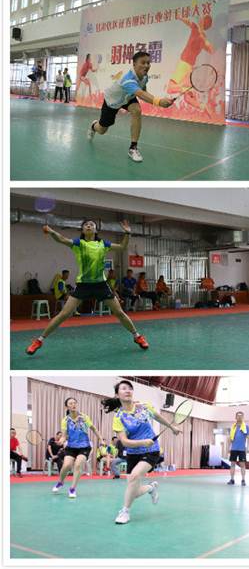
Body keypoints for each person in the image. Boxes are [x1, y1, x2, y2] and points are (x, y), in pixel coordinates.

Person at [25, 219, 149, 355]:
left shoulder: (103, 244)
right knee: (64, 314)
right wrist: (51, 231)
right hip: (83, 285)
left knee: (119, 312)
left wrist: (127, 233)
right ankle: (39, 340)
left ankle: (137, 336)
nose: (89, 226)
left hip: (101, 285)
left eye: (91, 225)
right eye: (86, 225)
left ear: (95, 230)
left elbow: (122, 247)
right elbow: (62, 239)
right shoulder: (79, 244)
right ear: (83, 230)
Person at [101, 379, 181, 524]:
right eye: (123, 388)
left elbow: (158, 417)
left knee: (134, 477)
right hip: (133, 452)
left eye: (130, 388)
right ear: (117, 395)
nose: (128, 390)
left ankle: (125, 512)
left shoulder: (144, 407)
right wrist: (142, 442)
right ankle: (151, 488)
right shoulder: (118, 417)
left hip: (151, 450)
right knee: (134, 490)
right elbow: (124, 442)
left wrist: (172, 427)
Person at [86, 50, 174, 163]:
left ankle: (133, 148)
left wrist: (160, 101)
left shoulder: (145, 77)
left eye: (148, 63)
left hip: (128, 97)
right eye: (143, 62)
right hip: (113, 101)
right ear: (134, 64)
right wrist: (159, 102)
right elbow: (140, 94)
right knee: (102, 130)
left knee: (137, 110)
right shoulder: (128, 80)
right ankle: (93, 126)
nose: (146, 65)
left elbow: (143, 91)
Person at [52, 396, 102, 498]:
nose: (73, 405)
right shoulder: (65, 420)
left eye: (74, 403)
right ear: (67, 407)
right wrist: (61, 441)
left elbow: (94, 429)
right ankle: (60, 482)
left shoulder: (84, 417)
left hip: (84, 446)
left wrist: (101, 439)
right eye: (70, 403)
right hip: (71, 447)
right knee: (66, 466)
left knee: (78, 465)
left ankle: (72, 488)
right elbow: (64, 436)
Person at [227, 411, 249, 486]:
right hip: (233, 449)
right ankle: (232, 479)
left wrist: (247, 448)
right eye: (238, 416)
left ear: (243, 417)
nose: (239, 417)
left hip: (242, 449)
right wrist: (229, 447)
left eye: (241, 416)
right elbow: (230, 438)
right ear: (235, 417)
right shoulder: (233, 427)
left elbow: (248, 438)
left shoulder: (246, 427)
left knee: (242, 465)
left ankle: (243, 480)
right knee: (232, 464)